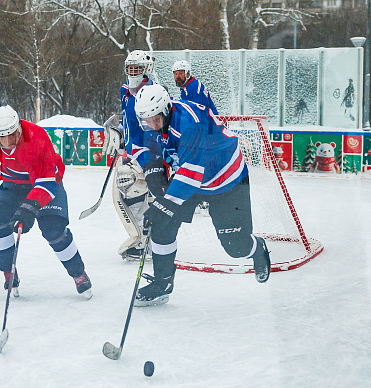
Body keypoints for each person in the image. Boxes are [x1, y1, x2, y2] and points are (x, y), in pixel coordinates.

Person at [133, 85, 271, 307]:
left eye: (156, 120)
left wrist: (163, 205)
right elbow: (145, 145)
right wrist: (153, 169)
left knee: (235, 248)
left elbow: (191, 174)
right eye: (147, 121)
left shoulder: (190, 124)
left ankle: (256, 248)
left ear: (167, 109)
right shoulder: (158, 122)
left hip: (227, 181)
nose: (152, 126)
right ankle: (163, 282)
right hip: (193, 178)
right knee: (162, 227)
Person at [0, 105, 92, 299]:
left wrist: (29, 209)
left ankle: (78, 273)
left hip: (47, 183)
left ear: (18, 127)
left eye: (12, 135)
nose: (9, 142)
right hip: (13, 183)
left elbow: (46, 183)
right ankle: (8, 271)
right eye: (2, 138)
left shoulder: (37, 139)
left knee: (53, 229)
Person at [103, 49, 165, 261]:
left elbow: (156, 127)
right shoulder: (125, 90)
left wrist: (147, 158)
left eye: (137, 68)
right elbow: (129, 121)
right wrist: (120, 131)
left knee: (130, 196)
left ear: (146, 69)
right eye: (129, 68)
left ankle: (142, 242)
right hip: (132, 152)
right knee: (137, 197)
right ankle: (149, 240)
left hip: (149, 153)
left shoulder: (154, 91)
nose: (132, 72)